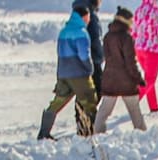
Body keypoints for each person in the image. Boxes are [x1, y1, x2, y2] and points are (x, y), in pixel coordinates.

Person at [38, 0, 100, 140]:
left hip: (63, 73)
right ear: (84, 16)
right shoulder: (81, 32)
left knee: (58, 101)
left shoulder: (64, 31)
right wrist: (89, 69)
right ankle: (91, 132)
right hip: (79, 74)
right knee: (90, 101)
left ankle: (44, 132)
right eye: (88, 16)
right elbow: (84, 55)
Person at [93, 7, 149, 133]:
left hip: (110, 79)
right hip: (126, 82)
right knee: (135, 112)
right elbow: (130, 62)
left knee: (104, 111)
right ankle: (143, 135)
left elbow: (106, 57)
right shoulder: (126, 38)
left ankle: (97, 134)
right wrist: (138, 78)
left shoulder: (107, 36)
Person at [131, 0, 158, 114]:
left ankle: (154, 106)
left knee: (148, 79)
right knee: (150, 79)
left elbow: (133, 31)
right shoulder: (156, 11)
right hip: (152, 50)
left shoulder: (139, 10)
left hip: (139, 49)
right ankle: (134, 100)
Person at [75, 0, 105, 136]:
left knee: (84, 92)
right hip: (91, 60)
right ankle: (87, 125)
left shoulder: (78, 12)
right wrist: (100, 56)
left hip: (80, 60)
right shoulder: (90, 15)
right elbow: (95, 39)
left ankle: (84, 124)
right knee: (96, 90)